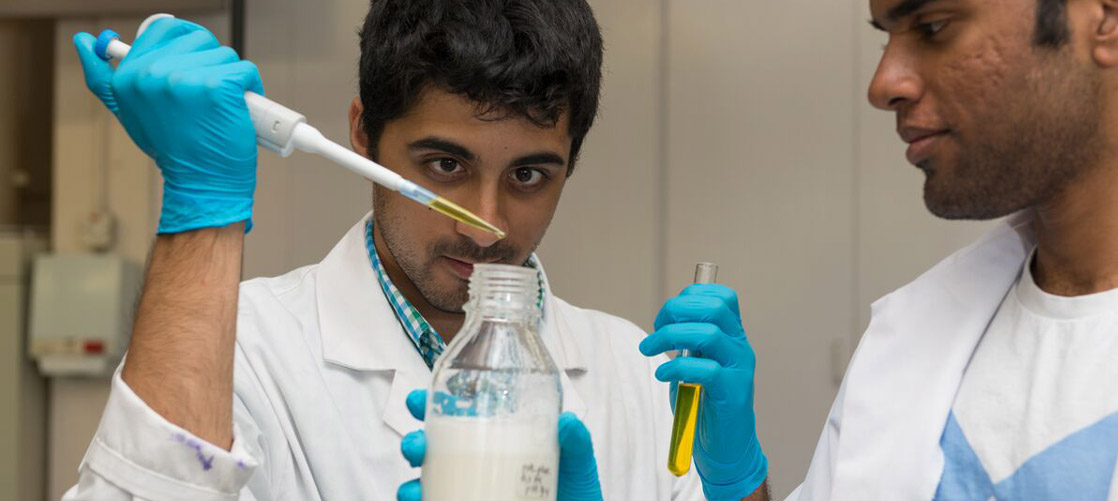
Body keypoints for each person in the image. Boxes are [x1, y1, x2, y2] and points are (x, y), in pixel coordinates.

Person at [64, 1, 704, 499]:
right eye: (446, 164)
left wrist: (741, 479)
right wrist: (200, 206)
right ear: (363, 135)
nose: (485, 227)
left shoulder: (637, 373)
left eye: (529, 176)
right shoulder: (240, 349)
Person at [640, 0, 1118, 499]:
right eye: (886, 36)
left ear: (1115, 14)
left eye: (933, 26)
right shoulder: (911, 337)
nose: (883, 84)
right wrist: (738, 484)